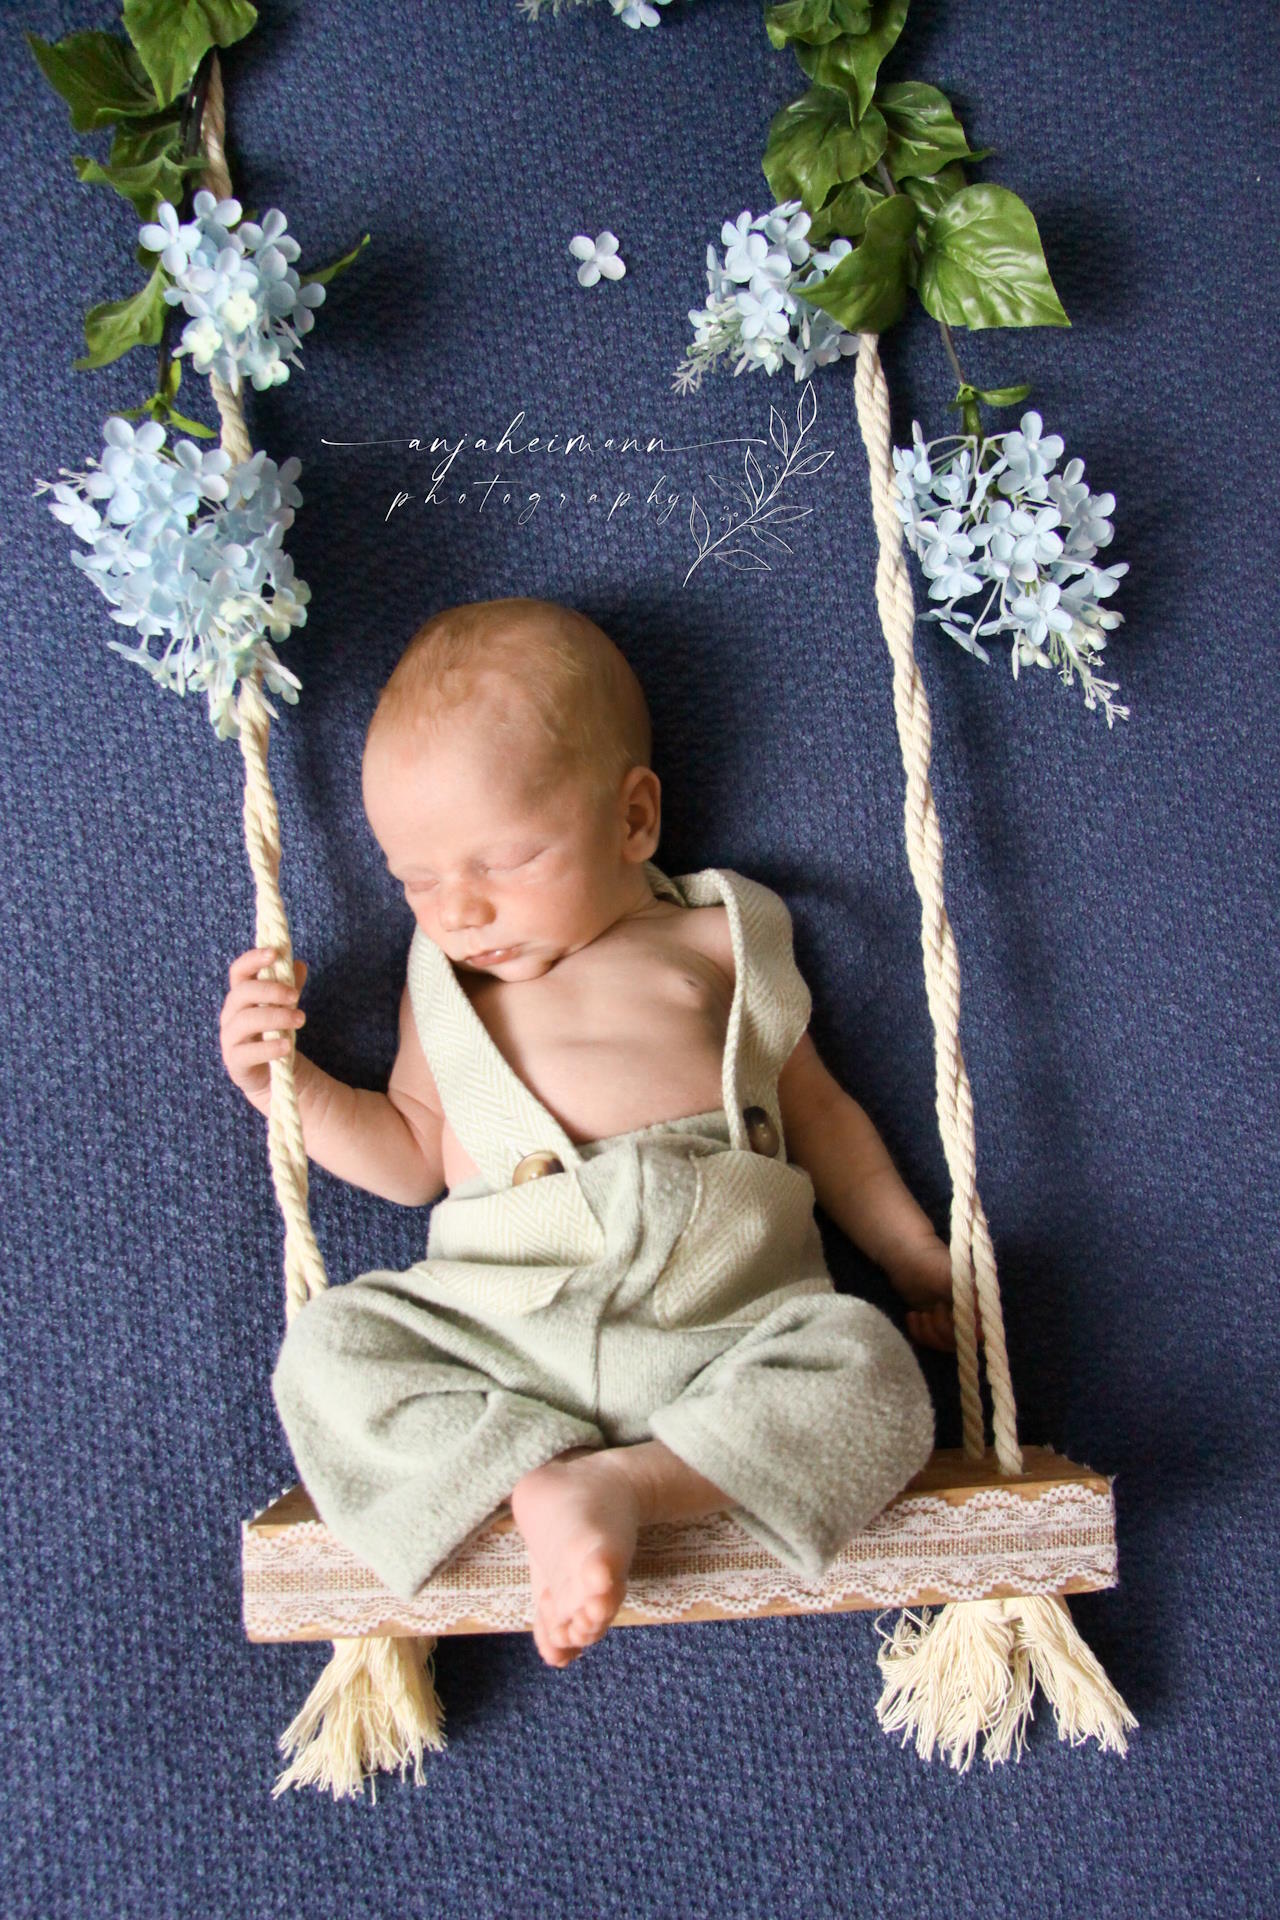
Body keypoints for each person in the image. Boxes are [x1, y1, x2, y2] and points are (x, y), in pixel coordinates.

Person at [220, 597, 967, 1670]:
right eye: (416, 881)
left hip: (725, 1316)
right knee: (329, 1352)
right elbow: (410, 1159)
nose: (458, 912)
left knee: (873, 1376)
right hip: (506, 1338)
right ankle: (537, 1477)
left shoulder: (718, 944)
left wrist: (910, 1254)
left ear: (632, 819)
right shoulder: (444, 994)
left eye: (505, 860)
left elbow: (820, 1116)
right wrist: (284, 1086)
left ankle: (625, 1484)